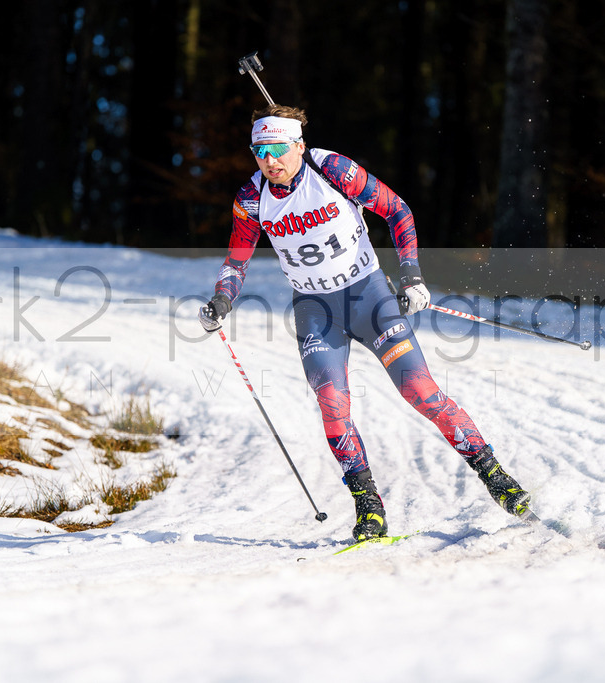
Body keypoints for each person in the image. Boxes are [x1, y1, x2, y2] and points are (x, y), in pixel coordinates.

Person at [199, 104, 531, 540]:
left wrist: (411, 276)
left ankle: (496, 476)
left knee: (420, 391)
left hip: (368, 296)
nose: (269, 160)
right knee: (332, 403)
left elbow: (398, 211)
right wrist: (221, 299)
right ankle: (368, 507)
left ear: (299, 145)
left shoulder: (331, 169)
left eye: (278, 149)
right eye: (259, 151)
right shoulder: (250, 197)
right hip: (316, 310)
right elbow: (236, 260)